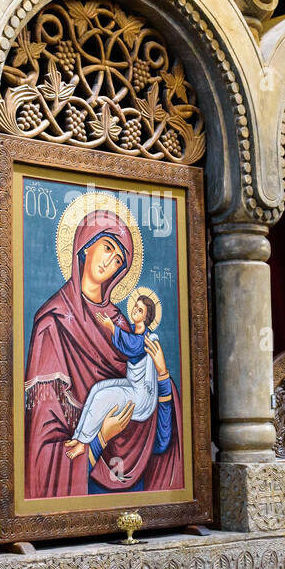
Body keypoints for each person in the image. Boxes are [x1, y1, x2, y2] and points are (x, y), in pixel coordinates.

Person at [23, 209, 182, 497]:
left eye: (118, 260)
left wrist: (162, 376)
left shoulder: (122, 327)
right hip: (81, 482)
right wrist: (100, 438)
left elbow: (158, 434)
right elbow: (42, 445)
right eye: (107, 247)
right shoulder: (52, 322)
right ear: (86, 245)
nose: (109, 262)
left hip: (134, 479)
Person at [65, 293, 164, 458]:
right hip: (131, 385)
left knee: (102, 397)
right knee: (97, 388)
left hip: (141, 396)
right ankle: (77, 436)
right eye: (135, 307)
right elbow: (126, 339)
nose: (135, 311)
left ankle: (83, 443)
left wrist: (112, 327)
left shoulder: (145, 339)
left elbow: (132, 346)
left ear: (146, 317)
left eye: (140, 310)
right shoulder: (130, 329)